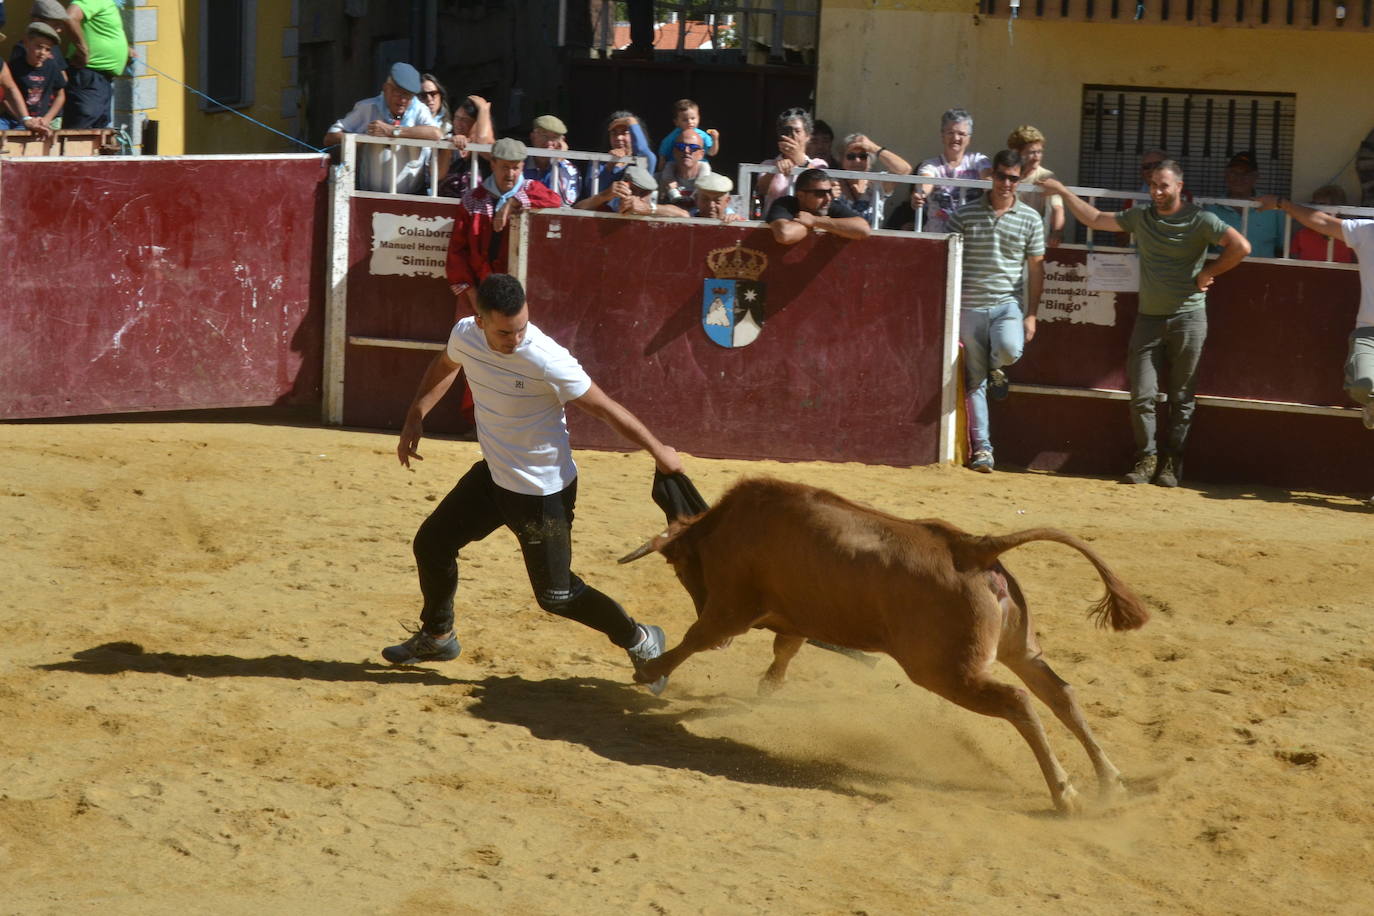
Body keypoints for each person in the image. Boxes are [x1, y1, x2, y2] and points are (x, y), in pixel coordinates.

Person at [384, 273, 683, 696]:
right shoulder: (465, 335)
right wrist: (417, 413)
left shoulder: (545, 358)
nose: (516, 337)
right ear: (480, 320)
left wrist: (658, 450)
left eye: (522, 326)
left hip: (544, 493)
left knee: (557, 595)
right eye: (505, 331)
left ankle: (640, 638)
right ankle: (437, 637)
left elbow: (605, 409)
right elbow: (446, 364)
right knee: (432, 544)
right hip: (494, 476)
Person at [1040, 162, 1251, 487]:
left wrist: (1209, 272)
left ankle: (1171, 463)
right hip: (1149, 319)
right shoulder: (1141, 216)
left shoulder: (1200, 219)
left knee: (1182, 397)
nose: (1157, 191)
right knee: (1142, 393)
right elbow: (1095, 219)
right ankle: (1147, 458)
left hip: (1189, 317)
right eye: (1153, 185)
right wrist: (1065, 192)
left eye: (1163, 185)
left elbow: (1241, 247)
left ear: (1179, 186)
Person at [948, 150, 1046, 473]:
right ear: (992, 175)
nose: (1006, 183)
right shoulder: (964, 215)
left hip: (1007, 303)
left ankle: (996, 368)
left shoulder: (1030, 218)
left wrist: (1031, 314)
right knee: (974, 380)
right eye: (1001, 176)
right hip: (969, 304)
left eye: (1013, 178)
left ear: (1020, 180)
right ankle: (983, 450)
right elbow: (948, 262)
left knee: (1009, 348)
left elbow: (1036, 269)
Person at [1257, 195, 1374, 445]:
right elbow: (1321, 220)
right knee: (1363, 386)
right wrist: (1282, 204)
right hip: (1369, 331)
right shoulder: (1367, 231)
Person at [446, 137, 562, 315]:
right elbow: (457, 252)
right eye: (505, 167)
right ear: (492, 164)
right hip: (479, 288)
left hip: (519, 290)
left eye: (515, 167)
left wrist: (512, 202)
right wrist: (473, 296)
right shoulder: (472, 200)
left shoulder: (531, 188)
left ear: (523, 166)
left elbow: (554, 200)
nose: (510, 174)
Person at [324, 62, 442, 195]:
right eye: (397, 92)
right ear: (386, 88)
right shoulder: (367, 107)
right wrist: (360, 138)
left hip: (410, 198)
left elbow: (436, 134)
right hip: (368, 195)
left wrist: (393, 131)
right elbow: (330, 137)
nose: (402, 99)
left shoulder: (420, 109)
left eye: (408, 95)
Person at [34, 0, 125, 129]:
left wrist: (126, 50)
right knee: (81, 129)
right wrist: (82, 48)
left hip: (100, 79)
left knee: (97, 132)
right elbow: (70, 17)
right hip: (88, 76)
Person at [912, 108, 992, 233]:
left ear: (969, 138)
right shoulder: (931, 165)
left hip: (971, 235)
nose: (955, 138)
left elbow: (988, 180)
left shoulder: (978, 160)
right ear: (942, 135)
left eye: (961, 134)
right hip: (938, 236)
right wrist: (920, 194)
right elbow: (926, 182)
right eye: (950, 132)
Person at [1204, 151, 1285, 258]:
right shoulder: (1210, 208)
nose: (1239, 178)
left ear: (1256, 176)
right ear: (1226, 174)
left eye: (1246, 173)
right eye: (1234, 172)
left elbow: (1282, 248)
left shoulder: (1273, 209)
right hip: (1221, 272)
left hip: (1262, 272)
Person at [766, 167, 872, 246]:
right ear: (800, 195)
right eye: (820, 193)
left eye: (830, 192)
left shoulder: (829, 205)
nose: (828, 198)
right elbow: (784, 235)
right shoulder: (785, 204)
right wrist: (822, 224)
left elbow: (863, 229)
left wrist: (815, 221)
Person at [755, 107, 829, 213]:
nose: (792, 136)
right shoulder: (768, 164)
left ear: (807, 136)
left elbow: (819, 188)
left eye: (797, 131)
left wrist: (800, 161)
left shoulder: (818, 164)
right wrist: (775, 170)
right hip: (774, 222)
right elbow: (761, 190)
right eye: (787, 131)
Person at [1, 22, 65, 135]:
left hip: (40, 120)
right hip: (12, 119)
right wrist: (24, 119)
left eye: (47, 49)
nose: (42, 53)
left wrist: (47, 119)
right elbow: (7, 95)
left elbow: (61, 95)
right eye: (39, 47)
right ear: (26, 43)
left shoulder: (52, 67)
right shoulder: (14, 66)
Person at [1006, 125, 1064, 246]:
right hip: (1007, 236)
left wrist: (1056, 232)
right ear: (1016, 153)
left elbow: (1057, 208)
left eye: (1039, 152)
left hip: (1033, 239)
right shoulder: (1005, 175)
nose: (1037, 157)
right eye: (1032, 152)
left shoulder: (1046, 176)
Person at [835, 132, 912, 224]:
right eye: (851, 156)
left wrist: (874, 148)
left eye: (863, 156)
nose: (857, 161)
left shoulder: (877, 183)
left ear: (870, 160)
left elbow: (904, 169)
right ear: (842, 159)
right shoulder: (833, 184)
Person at [437, 94, 494, 200]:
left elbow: (482, 140)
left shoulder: (487, 147)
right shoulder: (446, 143)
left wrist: (483, 110)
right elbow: (438, 175)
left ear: (478, 122)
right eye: (457, 118)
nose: (458, 124)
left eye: (465, 120)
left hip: (478, 209)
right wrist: (449, 147)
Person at [573, 164, 686, 217]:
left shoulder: (655, 212)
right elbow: (575, 212)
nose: (637, 197)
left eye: (643, 193)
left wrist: (649, 209)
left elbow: (684, 215)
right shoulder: (607, 209)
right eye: (632, 190)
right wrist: (604, 195)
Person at [1289, 186, 1356, 263]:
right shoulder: (1303, 233)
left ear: (1337, 208)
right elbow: (1293, 259)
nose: (1317, 209)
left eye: (1322, 204)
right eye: (1314, 204)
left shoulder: (1349, 234)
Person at [524, 114, 580, 206]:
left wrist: (559, 164)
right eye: (544, 135)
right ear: (532, 136)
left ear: (562, 141)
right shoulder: (518, 163)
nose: (549, 143)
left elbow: (566, 202)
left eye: (554, 137)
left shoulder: (569, 169)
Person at [593, 110, 656, 190]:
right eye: (614, 133)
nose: (619, 138)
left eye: (625, 133)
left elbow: (644, 152)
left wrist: (630, 121)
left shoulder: (642, 161)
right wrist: (610, 166)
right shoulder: (598, 161)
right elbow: (592, 191)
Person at [657, 126, 713, 207]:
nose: (686, 151)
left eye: (693, 147)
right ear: (674, 151)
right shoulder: (656, 181)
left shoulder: (714, 183)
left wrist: (732, 216)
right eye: (681, 146)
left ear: (702, 154)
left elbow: (725, 210)